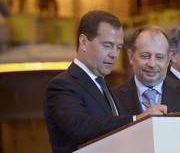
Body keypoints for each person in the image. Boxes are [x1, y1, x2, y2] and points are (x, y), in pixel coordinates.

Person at [43, 11, 167, 153]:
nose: (114, 54)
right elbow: (79, 127)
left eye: (118, 47)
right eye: (107, 45)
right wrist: (136, 119)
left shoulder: (104, 87)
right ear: (83, 42)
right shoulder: (62, 85)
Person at [112, 25, 180, 114]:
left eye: (159, 57)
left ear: (169, 59)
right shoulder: (112, 98)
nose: (152, 64)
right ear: (131, 57)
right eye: (145, 56)